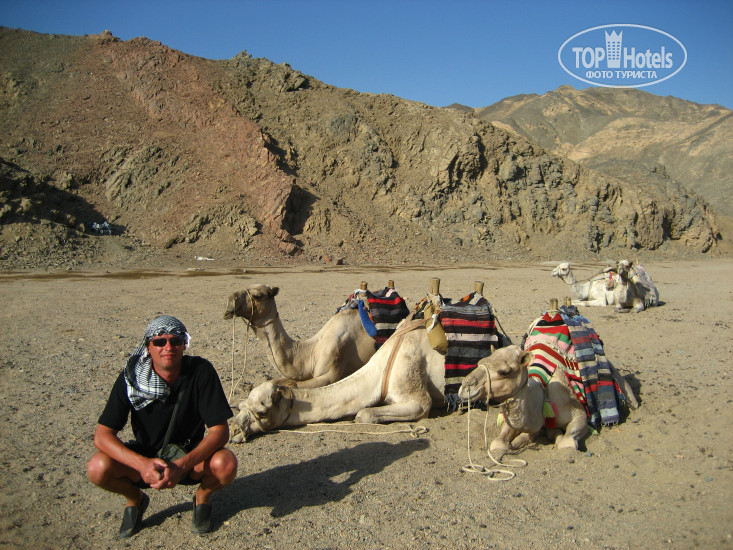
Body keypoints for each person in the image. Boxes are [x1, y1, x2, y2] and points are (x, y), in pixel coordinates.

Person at [87, 315, 237, 538]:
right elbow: (102, 436)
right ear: (148, 347)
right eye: (159, 342)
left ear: (184, 344)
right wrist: (142, 464)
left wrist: (181, 466)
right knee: (97, 467)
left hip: (188, 457)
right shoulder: (131, 378)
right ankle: (135, 499)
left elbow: (220, 430)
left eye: (175, 341)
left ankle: (202, 497)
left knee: (226, 463)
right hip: (145, 457)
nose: (168, 347)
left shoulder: (200, 371)